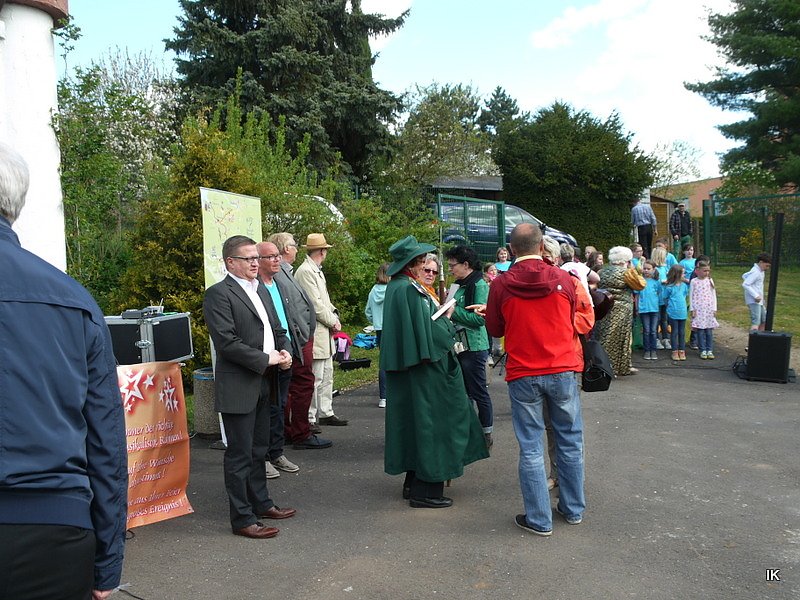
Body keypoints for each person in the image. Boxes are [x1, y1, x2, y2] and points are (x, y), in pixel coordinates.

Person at [0, 144, 128, 599]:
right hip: (53, 533)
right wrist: (106, 561)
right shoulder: (72, 299)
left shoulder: (74, 302)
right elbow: (106, 443)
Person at [482, 223, 591, 536]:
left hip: (524, 372)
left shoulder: (501, 285)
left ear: (512, 249)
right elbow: (573, 316)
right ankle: (572, 509)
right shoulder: (564, 279)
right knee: (570, 440)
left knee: (530, 447)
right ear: (542, 247)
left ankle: (539, 519)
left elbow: (495, 329)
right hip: (562, 369)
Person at [381, 236, 489, 509]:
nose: (425, 267)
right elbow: (428, 332)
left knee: (418, 424)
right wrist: (449, 325)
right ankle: (426, 490)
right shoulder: (409, 290)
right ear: (413, 264)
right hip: (428, 368)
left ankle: (414, 482)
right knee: (434, 424)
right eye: (421, 262)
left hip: (413, 367)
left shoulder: (399, 287)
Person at [203, 235, 296, 539]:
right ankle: (242, 518)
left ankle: (262, 503)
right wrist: (266, 358)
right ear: (231, 262)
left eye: (257, 257)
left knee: (259, 449)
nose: (256, 262)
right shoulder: (219, 294)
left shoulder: (263, 290)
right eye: (248, 258)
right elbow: (227, 343)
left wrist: (284, 352)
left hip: (266, 380)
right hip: (240, 384)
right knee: (240, 453)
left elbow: (277, 329)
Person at [267, 232, 332, 449]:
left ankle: (291, 431)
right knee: (301, 383)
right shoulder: (283, 275)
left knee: (295, 384)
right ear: (286, 249)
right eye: (294, 245)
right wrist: (302, 335)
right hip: (295, 340)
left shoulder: (287, 272)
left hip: (298, 337)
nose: (296, 249)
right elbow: (290, 310)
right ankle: (299, 433)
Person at [257, 241, 302, 479]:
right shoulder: (255, 289)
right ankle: (263, 457)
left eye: (277, 256)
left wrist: (290, 350)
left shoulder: (280, 285)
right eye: (270, 257)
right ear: (258, 261)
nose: (277, 260)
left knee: (280, 406)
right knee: (267, 409)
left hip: (286, 353)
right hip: (267, 357)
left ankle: (276, 452)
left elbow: (286, 320)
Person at [295, 233, 348, 427]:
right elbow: (315, 304)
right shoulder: (306, 271)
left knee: (327, 373)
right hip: (316, 330)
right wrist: (333, 321)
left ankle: (326, 412)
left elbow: (324, 301)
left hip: (324, 330)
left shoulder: (315, 270)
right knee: (315, 376)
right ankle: (310, 417)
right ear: (322, 251)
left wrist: (334, 315)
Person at [444, 245, 494, 450]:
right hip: (458, 345)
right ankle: (469, 431)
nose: (450, 269)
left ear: (466, 264)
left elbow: (479, 320)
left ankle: (486, 433)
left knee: (477, 390)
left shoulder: (479, 285)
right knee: (463, 392)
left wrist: (453, 311)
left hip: (473, 346)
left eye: (452, 265)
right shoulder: (458, 284)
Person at [593, 246, 637, 376]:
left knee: (605, 335)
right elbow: (640, 285)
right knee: (622, 338)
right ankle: (621, 367)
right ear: (626, 260)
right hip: (622, 309)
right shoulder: (627, 273)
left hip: (606, 305)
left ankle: (603, 366)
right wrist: (633, 270)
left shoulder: (602, 271)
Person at [365, 263, 390, 408]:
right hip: (393, 328)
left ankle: (383, 397)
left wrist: (375, 321)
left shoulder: (374, 290)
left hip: (380, 329)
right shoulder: (393, 289)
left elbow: (368, 310)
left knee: (383, 362)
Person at [690, 260, 719, 359]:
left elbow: (713, 294)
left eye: (708, 271)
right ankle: (702, 349)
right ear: (698, 271)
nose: (706, 273)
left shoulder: (710, 281)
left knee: (709, 331)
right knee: (700, 331)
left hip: (708, 309)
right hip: (699, 309)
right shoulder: (694, 281)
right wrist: (692, 309)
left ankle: (709, 349)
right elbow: (691, 295)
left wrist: (714, 308)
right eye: (704, 271)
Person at [662, 264, 689, 361]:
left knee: (682, 332)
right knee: (674, 331)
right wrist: (669, 306)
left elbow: (685, 296)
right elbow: (665, 298)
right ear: (677, 274)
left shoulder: (684, 286)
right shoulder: (669, 287)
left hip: (682, 311)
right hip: (673, 312)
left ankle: (682, 350)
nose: (684, 274)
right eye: (683, 273)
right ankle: (674, 350)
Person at [638, 260, 663, 360]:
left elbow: (659, 293)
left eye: (649, 269)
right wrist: (637, 308)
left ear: (653, 270)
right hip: (643, 309)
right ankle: (647, 350)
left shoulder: (656, 282)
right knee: (646, 330)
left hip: (654, 309)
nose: (646, 271)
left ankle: (653, 350)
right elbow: (637, 295)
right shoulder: (640, 281)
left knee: (653, 331)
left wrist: (659, 306)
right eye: (644, 268)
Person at [742, 253, 771, 331]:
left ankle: (761, 338)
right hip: (754, 301)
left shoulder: (760, 271)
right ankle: (754, 340)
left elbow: (745, 276)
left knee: (764, 320)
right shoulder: (756, 272)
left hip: (759, 301)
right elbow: (746, 284)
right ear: (761, 262)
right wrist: (755, 295)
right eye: (766, 266)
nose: (767, 268)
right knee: (756, 322)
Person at [650, 246, 671, 350]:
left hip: (664, 299)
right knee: (657, 320)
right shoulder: (655, 269)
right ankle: (656, 339)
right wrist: (663, 281)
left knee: (664, 319)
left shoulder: (665, 268)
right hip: (656, 299)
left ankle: (665, 338)